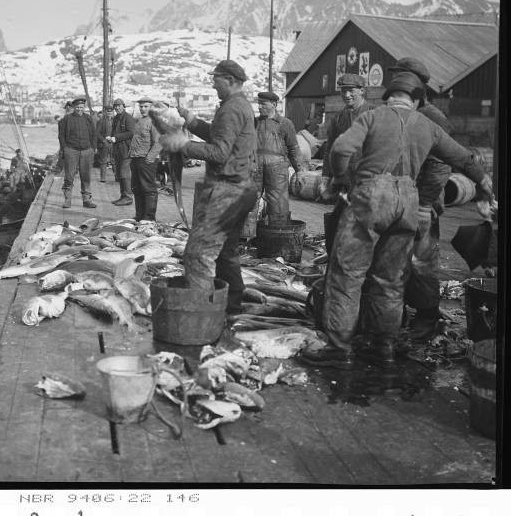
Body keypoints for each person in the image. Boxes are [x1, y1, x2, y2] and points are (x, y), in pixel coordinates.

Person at [298, 71, 493, 370]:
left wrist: (338, 178)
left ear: (390, 96)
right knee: (389, 280)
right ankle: (383, 347)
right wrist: (484, 185)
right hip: (408, 201)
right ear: (415, 100)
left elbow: (340, 148)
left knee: (347, 273)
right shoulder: (427, 125)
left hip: (372, 196)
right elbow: (465, 159)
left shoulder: (374, 116)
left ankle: (338, 348)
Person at [159, 59, 258, 313]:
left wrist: (182, 145)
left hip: (227, 190)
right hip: (241, 189)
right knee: (226, 253)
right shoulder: (237, 106)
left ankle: (200, 314)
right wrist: (192, 122)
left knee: (198, 254)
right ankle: (232, 309)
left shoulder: (232, 109)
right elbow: (220, 136)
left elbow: (219, 152)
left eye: (216, 80)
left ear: (230, 80)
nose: (213, 85)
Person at [386, 58, 454, 341]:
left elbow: (440, 165)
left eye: (402, 77)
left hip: (422, 200)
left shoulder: (433, 117)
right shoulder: (397, 112)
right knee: (395, 258)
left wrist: (425, 204)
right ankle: (398, 312)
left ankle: (427, 318)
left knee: (422, 260)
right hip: (398, 197)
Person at [253, 91, 304, 225]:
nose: (259, 107)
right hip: (254, 169)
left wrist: (299, 171)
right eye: (258, 104)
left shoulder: (285, 124)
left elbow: (294, 148)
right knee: (248, 203)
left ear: (274, 104)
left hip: (278, 172)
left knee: (278, 205)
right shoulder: (253, 123)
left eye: (263, 104)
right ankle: (245, 239)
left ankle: (278, 235)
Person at [320, 73, 371, 197]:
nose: (347, 95)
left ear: (361, 91)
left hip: (368, 179)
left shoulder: (374, 114)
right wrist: (325, 178)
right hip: (344, 180)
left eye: (351, 91)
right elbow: (330, 149)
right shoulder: (338, 118)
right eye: (343, 91)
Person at [127, 97, 162, 221]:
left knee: (148, 189)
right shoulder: (140, 120)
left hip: (146, 160)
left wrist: (149, 158)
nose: (143, 109)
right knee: (137, 189)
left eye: (146, 106)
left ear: (151, 107)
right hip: (136, 159)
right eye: (141, 106)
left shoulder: (154, 121)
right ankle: (139, 216)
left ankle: (149, 218)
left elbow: (159, 142)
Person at [58, 96, 96, 209]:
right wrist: (65, 149)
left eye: (81, 107)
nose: (79, 109)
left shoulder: (88, 118)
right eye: (77, 107)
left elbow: (94, 134)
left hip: (86, 151)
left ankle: (86, 200)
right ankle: (67, 199)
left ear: (84, 107)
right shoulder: (67, 119)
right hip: (71, 150)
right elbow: (61, 135)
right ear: (74, 107)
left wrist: (93, 148)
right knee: (69, 176)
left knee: (86, 176)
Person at [107, 98, 136, 206]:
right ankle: (123, 196)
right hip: (118, 150)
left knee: (125, 175)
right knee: (120, 174)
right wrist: (111, 137)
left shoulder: (128, 118)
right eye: (115, 106)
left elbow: (131, 133)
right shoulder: (116, 118)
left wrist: (116, 138)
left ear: (124, 106)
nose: (117, 108)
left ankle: (128, 197)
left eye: (119, 106)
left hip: (126, 150)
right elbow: (115, 132)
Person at [95, 105, 114, 183]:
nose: (109, 113)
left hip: (113, 143)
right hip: (104, 144)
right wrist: (103, 140)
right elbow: (97, 133)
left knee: (114, 160)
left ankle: (117, 177)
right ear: (105, 112)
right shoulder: (101, 121)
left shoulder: (115, 121)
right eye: (107, 111)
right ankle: (103, 178)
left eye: (111, 111)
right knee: (103, 161)